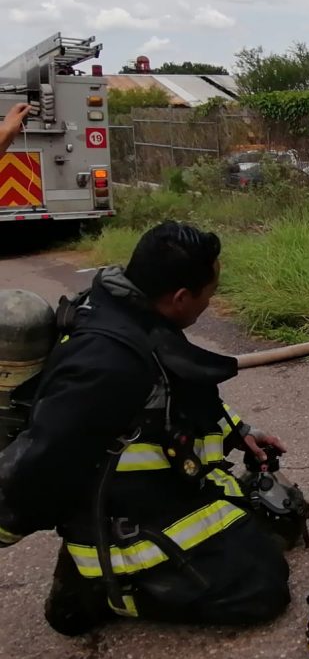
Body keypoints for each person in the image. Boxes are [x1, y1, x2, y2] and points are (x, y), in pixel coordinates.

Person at [0, 221, 291, 635]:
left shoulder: (125, 308)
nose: (210, 303)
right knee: (264, 586)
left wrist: (237, 429)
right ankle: (103, 590)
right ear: (180, 297)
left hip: (144, 490)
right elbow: (39, 466)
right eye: (209, 295)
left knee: (264, 528)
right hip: (121, 520)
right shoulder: (108, 365)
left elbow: (178, 389)